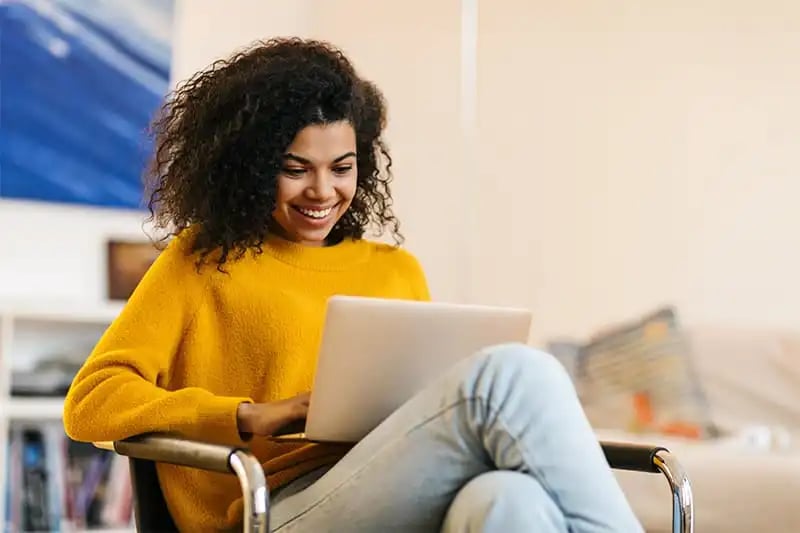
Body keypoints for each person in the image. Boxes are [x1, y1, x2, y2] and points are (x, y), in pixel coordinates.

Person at [63, 38, 642, 533]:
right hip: (272, 507)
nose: (322, 191)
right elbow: (90, 403)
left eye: (341, 167)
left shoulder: (396, 270)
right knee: (516, 373)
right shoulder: (203, 261)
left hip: (387, 484)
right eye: (296, 169)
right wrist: (245, 415)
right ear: (248, 165)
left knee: (509, 502)